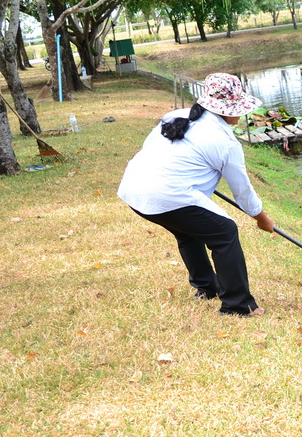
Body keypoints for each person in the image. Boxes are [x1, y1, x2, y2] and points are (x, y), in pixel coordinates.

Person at [117, 73, 274, 318]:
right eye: (238, 108)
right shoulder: (225, 142)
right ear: (226, 109)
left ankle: (206, 287)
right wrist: (262, 219)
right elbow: (243, 192)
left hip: (135, 189)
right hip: (166, 194)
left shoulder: (175, 116)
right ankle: (238, 305)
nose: (241, 114)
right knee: (225, 233)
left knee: (189, 230)